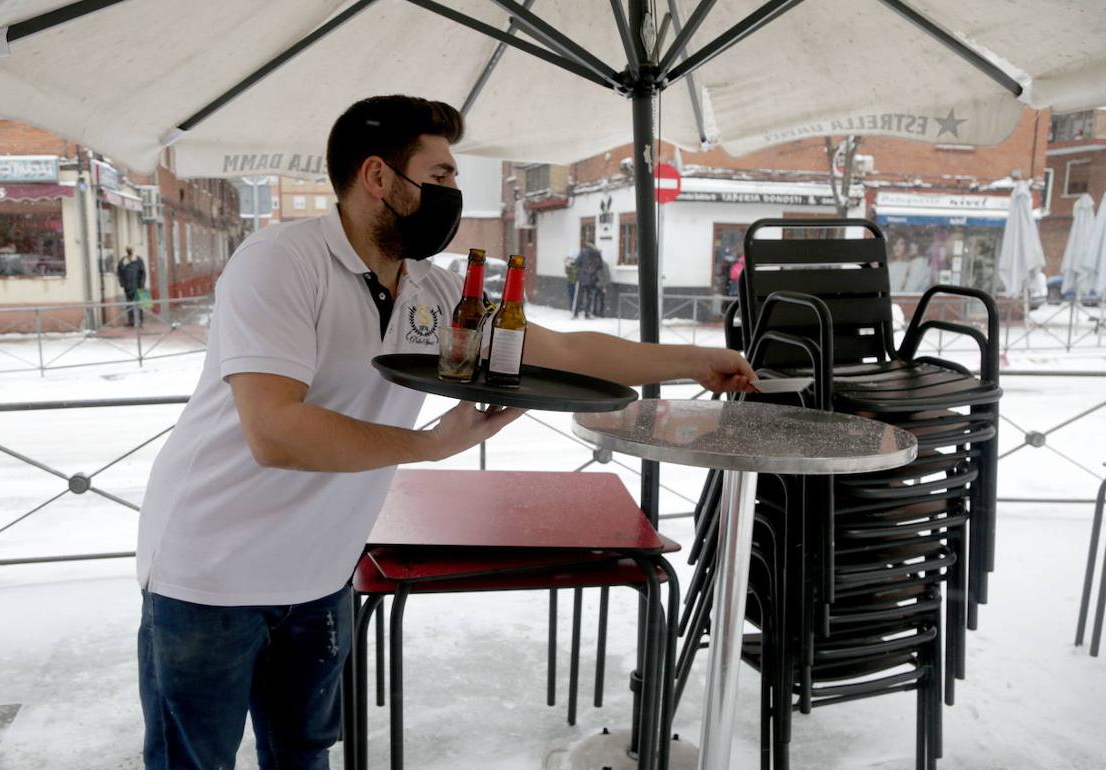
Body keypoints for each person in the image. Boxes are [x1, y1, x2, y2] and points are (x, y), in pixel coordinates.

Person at [135, 94, 757, 770]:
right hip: (210, 575)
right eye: (440, 177)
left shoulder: (431, 291)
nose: (453, 193)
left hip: (317, 575)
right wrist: (431, 446)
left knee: (304, 756)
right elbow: (275, 432)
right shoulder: (281, 262)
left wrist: (696, 359)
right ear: (378, 177)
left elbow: (567, 352)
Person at [573, 242, 604, 319]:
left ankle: (576, 314)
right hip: (592, 278)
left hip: (582, 278)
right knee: (589, 297)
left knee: (579, 296)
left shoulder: (583, 252)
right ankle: (587, 314)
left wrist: (580, 269)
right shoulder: (597, 253)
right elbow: (601, 265)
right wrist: (593, 270)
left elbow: (577, 263)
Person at [117, 246, 146, 327]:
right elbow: (120, 273)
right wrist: (123, 284)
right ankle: (131, 321)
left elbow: (143, 273)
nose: (129, 251)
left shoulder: (138, 259)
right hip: (128, 287)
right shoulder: (123, 261)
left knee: (140, 305)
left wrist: (142, 285)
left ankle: (140, 321)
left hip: (138, 286)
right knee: (129, 305)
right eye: (128, 249)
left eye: (131, 249)